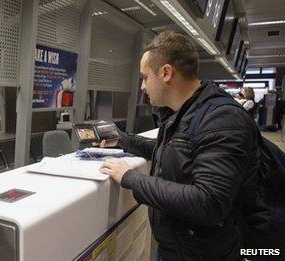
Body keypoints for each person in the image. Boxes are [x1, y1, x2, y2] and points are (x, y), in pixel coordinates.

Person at [99, 31, 265, 260]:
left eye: (145, 77)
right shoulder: (187, 112)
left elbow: (208, 202)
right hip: (178, 248)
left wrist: (130, 178)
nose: (143, 87)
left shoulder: (223, 120)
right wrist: (123, 140)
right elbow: (172, 150)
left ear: (166, 73)